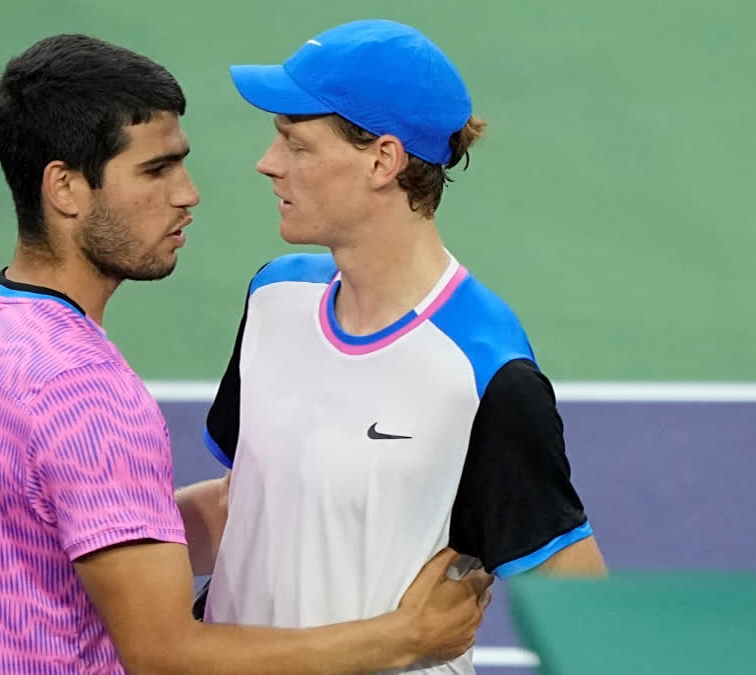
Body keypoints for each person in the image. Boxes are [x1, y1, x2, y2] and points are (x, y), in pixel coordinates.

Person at [0, 32, 491, 674]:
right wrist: (406, 638)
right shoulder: (93, 397)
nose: (188, 193)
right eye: (156, 170)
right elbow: (168, 656)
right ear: (66, 188)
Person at [195, 20, 608, 673]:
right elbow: (243, 501)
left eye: (296, 143)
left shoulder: (484, 369)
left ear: (382, 160)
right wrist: (84, 540)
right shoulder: (275, 297)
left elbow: (581, 602)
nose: (268, 162)